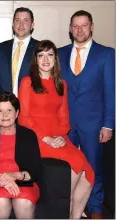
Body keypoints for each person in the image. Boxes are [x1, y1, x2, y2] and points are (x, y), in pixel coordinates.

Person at [18, 40, 95, 219]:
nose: (46, 59)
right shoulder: (27, 82)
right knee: (76, 164)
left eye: (50, 55)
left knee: (88, 172)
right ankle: (63, 210)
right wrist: (46, 138)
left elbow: (64, 118)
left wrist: (59, 136)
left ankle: (73, 216)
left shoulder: (61, 84)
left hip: (58, 136)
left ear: (55, 59)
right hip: (35, 137)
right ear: (35, 60)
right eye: (41, 55)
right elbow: (24, 118)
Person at [58, 10, 115, 219]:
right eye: (75, 26)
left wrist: (108, 124)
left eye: (84, 25)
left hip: (94, 124)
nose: (79, 29)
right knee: (67, 170)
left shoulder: (106, 54)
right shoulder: (59, 53)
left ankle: (96, 210)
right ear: (70, 29)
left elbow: (111, 91)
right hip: (65, 125)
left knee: (93, 168)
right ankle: (72, 209)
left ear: (91, 26)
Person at [0, 91, 42, 219]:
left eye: (9, 110)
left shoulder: (29, 135)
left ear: (17, 113)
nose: (5, 115)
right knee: (0, 202)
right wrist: (1, 180)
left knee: (24, 202)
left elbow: (36, 170)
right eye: (0, 111)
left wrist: (16, 175)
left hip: (23, 182)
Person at [0, 7, 40, 129]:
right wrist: (5, 103)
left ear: (32, 25)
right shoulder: (0, 48)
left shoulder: (40, 49)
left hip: (30, 113)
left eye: (26, 20)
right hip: (2, 112)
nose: (21, 24)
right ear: (13, 24)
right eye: (17, 20)